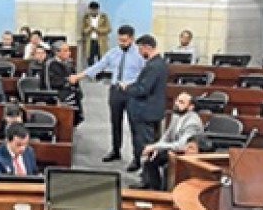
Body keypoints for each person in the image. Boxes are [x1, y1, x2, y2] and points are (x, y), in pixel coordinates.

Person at [80, 24, 145, 171]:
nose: (122, 43)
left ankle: (136, 157)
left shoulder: (140, 55)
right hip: (115, 90)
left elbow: (144, 75)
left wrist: (131, 84)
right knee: (115, 122)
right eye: (120, 40)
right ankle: (116, 150)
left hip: (132, 92)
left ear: (132, 39)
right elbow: (99, 66)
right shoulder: (114, 52)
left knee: (134, 125)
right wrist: (80, 76)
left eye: (125, 41)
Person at [133, 91, 203, 190]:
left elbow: (181, 146)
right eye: (177, 101)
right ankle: (153, 187)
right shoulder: (176, 116)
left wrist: (155, 146)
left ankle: (165, 193)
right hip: (173, 150)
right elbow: (167, 136)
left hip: (185, 154)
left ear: (191, 107)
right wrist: (157, 148)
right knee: (151, 157)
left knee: (167, 166)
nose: (176, 104)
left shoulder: (192, 123)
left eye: (181, 102)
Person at [121, 34, 169, 172]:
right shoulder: (159, 63)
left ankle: (148, 179)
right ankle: (145, 173)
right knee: (144, 143)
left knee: (146, 145)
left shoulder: (153, 66)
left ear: (147, 47)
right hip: (151, 109)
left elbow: (143, 89)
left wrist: (127, 88)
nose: (139, 52)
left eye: (140, 49)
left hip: (145, 111)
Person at [44, 41, 84, 125]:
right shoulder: (49, 64)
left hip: (70, 93)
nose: (69, 53)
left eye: (69, 50)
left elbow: (75, 80)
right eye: (65, 51)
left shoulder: (68, 64)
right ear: (57, 52)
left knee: (75, 96)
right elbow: (48, 84)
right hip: (56, 95)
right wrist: (67, 80)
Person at [80, 1, 111, 66]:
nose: (93, 12)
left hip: (101, 41)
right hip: (90, 41)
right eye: (91, 10)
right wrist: (90, 28)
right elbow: (83, 30)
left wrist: (98, 30)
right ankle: (91, 73)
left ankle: (101, 74)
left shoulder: (104, 16)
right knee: (90, 58)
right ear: (89, 9)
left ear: (98, 9)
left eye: (95, 10)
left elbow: (108, 29)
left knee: (102, 58)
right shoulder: (86, 17)